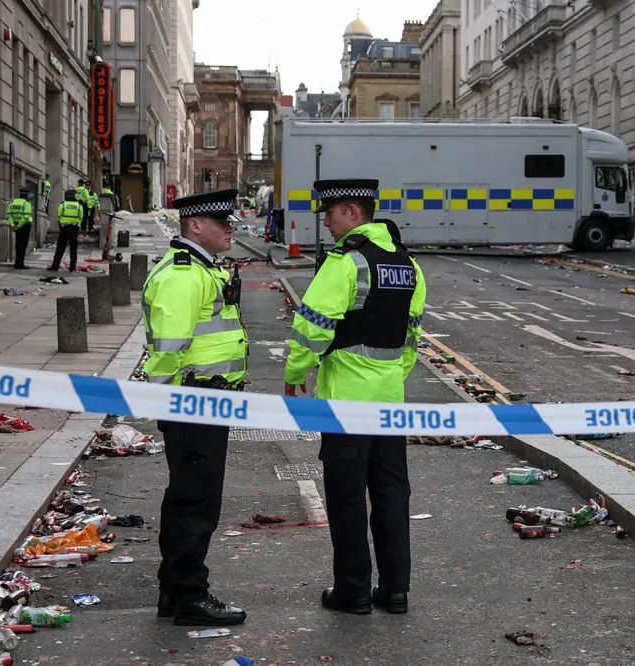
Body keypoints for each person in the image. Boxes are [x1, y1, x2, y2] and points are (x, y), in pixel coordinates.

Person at [283, 178, 426, 616]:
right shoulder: (409, 264)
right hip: (389, 399)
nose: (325, 222)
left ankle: (354, 592)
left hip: (345, 401)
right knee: (390, 494)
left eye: (329, 213)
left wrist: (295, 372)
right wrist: (390, 376)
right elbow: (412, 335)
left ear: (351, 211)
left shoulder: (345, 262)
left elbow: (312, 324)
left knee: (347, 499)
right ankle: (396, 590)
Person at [143, 188, 249, 627]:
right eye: (221, 221)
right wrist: (168, 400)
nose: (230, 228)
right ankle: (190, 595)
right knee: (196, 502)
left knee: (187, 496)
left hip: (202, 399)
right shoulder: (185, 275)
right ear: (193, 225)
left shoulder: (200, 270)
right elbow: (168, 349)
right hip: (194, 401)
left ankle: (174, 590)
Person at [48, 189, 82, 272]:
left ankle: (55, 266)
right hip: (74, 228)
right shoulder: (78, 205)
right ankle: (72, 267)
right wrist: (77, 225)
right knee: (73, 248)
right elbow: (81, 217)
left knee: (60, 248)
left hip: (64, 228)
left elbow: (59, 215)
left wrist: (61, 225)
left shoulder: (63, 204)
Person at [7, 188, 33, 270]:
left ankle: (17, 263)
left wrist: (13, 225)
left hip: (16, 226)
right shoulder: (26, 203)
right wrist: (19, 226)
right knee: (22, 246)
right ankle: (20, 264)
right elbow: (26, 217)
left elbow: (9, 215)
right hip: (24, 226)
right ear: (26, 195)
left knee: (18, 245)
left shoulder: (13, 202)